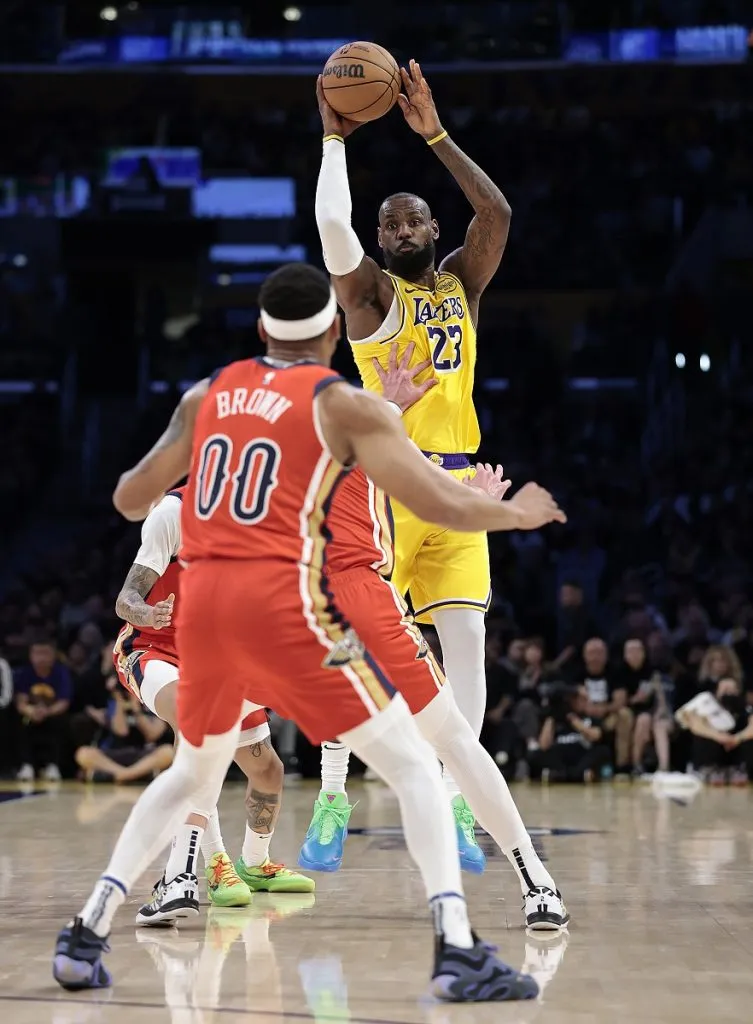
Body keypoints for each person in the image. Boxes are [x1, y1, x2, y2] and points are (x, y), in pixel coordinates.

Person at [54, 262, 565, 1001]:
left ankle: (87, 929)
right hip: (283, 607)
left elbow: (131, 499)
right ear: (332, 332)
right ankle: (457, 950)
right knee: (419, 768)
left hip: (204, 614)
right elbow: (437, 502)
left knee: (189, 775)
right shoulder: (337, 403)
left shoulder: (208, 395)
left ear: (261, 330)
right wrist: (513, 512)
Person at [313, 59, 517, 870]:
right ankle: (331, 789)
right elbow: (334, 234)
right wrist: (333, 139)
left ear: (434, 231)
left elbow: (495, 211)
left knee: (464, 651)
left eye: (413, 222)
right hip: (389, 484)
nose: (400, 231)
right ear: (378, 239)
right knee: (346, 647)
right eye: (388, 224)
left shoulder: (461, 285)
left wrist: (432, 133)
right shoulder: (369, 298)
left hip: (460, 485)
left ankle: (461, 804)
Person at [113, 485, 313, 923]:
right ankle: (205, 867)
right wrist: (148, 614)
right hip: (153, 648)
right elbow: (125, 600)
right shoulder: (173, 512)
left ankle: (254, 864)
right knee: (197, 723)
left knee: (268, 771)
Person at [15, 637, 72, 781]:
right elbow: (21, 701)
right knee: (21, 722)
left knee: (60, 722)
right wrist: (31, 711)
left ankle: (53, 765)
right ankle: (26, 765)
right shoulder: (25, 674)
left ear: (53, 655)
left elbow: (64, 702)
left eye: (45, 653)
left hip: (53, 714)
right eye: (37, 653)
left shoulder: (61, 673)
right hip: (32, 714)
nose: (41, 658)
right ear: (31, 655)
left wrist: (47, 711)